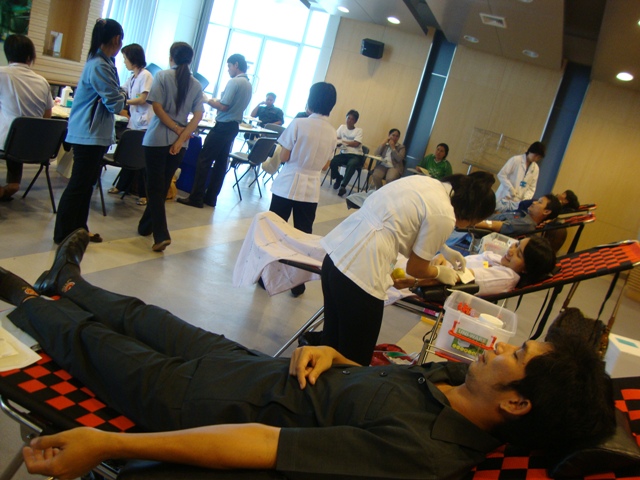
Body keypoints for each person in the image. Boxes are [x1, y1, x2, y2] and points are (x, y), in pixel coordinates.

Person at [0, 230, 615, 480]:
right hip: (254, 368)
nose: (500, 343)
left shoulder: (423, 454)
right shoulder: (460, 380)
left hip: (212, 404)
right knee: (149, 318)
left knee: (102, 346)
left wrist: (110, 444)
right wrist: (335, 358)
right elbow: (382, 388)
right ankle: (69, 282)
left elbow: (264, 445)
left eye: (517, 352)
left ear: (516, 402)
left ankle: (27, 298)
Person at [319, 172, 497, 365]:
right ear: (471, 213)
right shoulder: (445, 215)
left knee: (330, 345)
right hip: (361, 276)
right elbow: (416, 268)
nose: (468, 226)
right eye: (472, 223)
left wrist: (443, 249)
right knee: (353, 360)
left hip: (336, 255)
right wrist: (440, 272)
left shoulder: (427, 183)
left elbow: (410, 222)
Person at [53, 18, 126, 244]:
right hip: (88, 134)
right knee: (79, 185)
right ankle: (63, 233)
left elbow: (113, 98)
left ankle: (79, 230)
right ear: (116, 39)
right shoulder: (99, 65)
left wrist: (119, 94)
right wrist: (122, 95)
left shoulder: (103, 62)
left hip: (94, 134)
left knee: (86, 186)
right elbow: (115, 103)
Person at [268, 82, 337, 296]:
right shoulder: (333, 132)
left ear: (311, 100)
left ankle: (267, 278)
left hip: (287, 184)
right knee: (303, 236)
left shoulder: (299, 123)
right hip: (310, 189)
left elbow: (284, 156)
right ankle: (298, 283)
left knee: (275, 231)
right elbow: (325, 165)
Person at [137, 42, 204, 252]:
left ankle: (161, 234)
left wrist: (175, 129)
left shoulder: (162, 76)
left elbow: (156, 107)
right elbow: (198, 116)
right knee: (162, 185)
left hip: (157, 137)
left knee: (155, 187)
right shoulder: (196, 84)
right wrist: (181, 137)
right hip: (180, 143)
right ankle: (145, 226)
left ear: (171, 57)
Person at [177, 53, 252, 209]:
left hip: (223, 125)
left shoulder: (234, 82)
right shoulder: (248, 84)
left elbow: (224, 106)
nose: (228, 70)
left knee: (204, 159)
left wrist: (207, 100)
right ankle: (211, 198)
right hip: (233, 126)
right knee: (221, 163)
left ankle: (196, 197)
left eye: (229, 66)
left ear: (236, 65)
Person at [395, 236, 556, 296]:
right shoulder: (500, 261)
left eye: (519, 254)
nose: (511, 250)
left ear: (526, 269)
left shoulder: (506, 276)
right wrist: (443, 257)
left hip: (427, 280)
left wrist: (413, 282)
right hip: (434, 269)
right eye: (517, 244)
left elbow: (458, 278)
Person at [0, 34, 54, 201]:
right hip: (35, 147)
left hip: (7, 144)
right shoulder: (43, 81)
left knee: (9, 132)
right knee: (16, 134)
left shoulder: (2, 74)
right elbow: (47, 116)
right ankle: (13, 184)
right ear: (30, 57)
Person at [108, 43, 154, 205]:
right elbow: (122, 90)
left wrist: (124, 102)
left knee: (140, 159)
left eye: (125, 58)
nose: (124, 61)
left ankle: (144, 194)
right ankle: (121, 186)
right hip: (134, 122)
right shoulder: (133, 77)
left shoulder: (146, 75)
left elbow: (143, 99)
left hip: (144, 123)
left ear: (133, 59)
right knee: (128, 154)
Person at [495, 141, 545, 212]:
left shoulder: (535, 168)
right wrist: (510, 188)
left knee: (508, 217)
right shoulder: (516, 160)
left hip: (517, 202)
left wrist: (525, 200)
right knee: (496, 214)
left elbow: (532, 187)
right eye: (536, 155)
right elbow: (501, 174)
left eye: (539, 157)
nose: (536, 158)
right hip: (504, 195)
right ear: (530, 151)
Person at [329, 109, 363, 197]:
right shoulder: (342, 127)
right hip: (344, 154)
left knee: (352, 164)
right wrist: (340, 142)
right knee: (333, 161)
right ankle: (338, 178)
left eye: (352, 119)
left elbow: (356, 144)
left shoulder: (359, 130)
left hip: (355, 155)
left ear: (355, 121)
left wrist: (343, 141)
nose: (349, 121)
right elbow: (335, 138)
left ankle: (343, 186)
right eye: (348, 118)